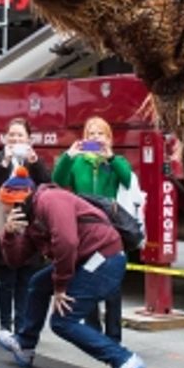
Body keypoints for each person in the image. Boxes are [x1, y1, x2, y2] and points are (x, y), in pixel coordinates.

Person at [0, 178, 146, 368]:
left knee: (63, 321)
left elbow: (67, 242)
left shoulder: (51, 200)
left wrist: (60, 287)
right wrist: (9, 235)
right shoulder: (31, 220)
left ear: (21, 202)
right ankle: (25, 345)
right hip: (86, 260)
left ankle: (124, 360)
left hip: (104, 259)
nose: (6, 211)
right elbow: (16, 260)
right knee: (38, 283)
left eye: (8, 206)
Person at [51, 115, 134, 341]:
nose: (95, 138)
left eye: (100, 134)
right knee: (87, 277)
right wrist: (69, 155)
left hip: (110, 228)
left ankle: (114, 337)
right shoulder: (78, 162)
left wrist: (111, 158)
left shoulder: (117, 161)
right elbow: (57, 180)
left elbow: (128, 180)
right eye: (91, 134)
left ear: (108, 138)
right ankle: (94, 332)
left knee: (113, 286)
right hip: (84, 228)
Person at [0, 117, 50, 344]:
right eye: (12, 135)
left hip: (29, 224)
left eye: (20, 135)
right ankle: (4, 325)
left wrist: (35, 162)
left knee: (26, 279)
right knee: (6, 278)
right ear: (5, 138)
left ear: (29, 139)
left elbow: (48, 184)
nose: (16, 139)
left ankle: (21, 325)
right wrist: (4, 164)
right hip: (3, 223)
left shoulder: (33, 160)